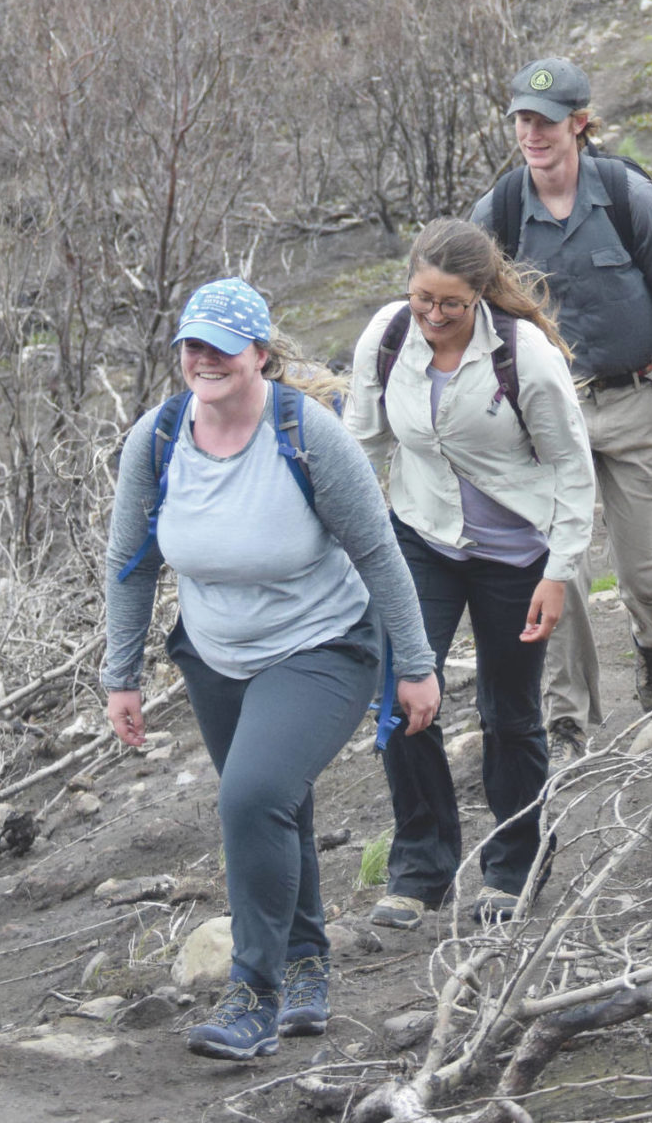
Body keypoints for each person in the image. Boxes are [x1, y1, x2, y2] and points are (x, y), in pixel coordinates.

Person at [103, 276, 440, 1063]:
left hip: (321, 645)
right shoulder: (156, 440)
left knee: (250, 797)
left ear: (259, 353)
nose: (203, 359)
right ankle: (308, 964)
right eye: (192, 344)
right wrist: (122, 675)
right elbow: (130, 563)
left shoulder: (305, 432)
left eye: (221, 346)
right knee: (275, 809)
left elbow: (378, 552)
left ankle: (252, 997)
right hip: (215, 653)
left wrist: (415, 665)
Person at [345, 219, 594, 929]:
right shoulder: (388, 338)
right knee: (401, 695)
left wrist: (558, 573)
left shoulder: (526, 359)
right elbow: (359, 442)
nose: (431, 315)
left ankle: (513, 867)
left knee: (507, 712)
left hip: (515, 554)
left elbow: (573, 472)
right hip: (420, 536)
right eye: (421, 297)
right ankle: (420, 868)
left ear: (480, 295)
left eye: (449, 303)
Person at [470, 56, 652, 753]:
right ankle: (568, 719)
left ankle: (651, 644)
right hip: (547, 420)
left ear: (579, 124)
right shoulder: (496, 213)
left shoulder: (623, 195)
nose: (532, 133)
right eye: (522, 119)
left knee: (643, 569)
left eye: (546, 121)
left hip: (634, 400)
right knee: (562, 570)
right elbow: (460, 312)